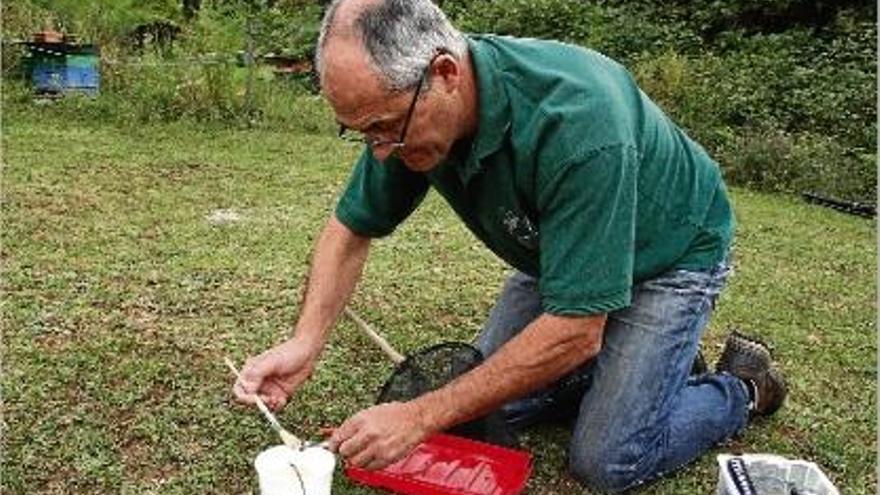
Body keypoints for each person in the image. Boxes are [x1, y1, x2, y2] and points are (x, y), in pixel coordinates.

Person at [232, 0, 788, 491]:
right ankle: (652, 364)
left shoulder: (578, 123)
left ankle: (741, 384)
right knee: (483, 407)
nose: (378, 152)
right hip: (563, 254)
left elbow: (574, 331)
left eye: (383, 128)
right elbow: (349, 228)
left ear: (444, 73)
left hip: (671, 254)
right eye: (362, 134)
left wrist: (419, 416)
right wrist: (306, 341)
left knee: (608, 459)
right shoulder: (410, 119)